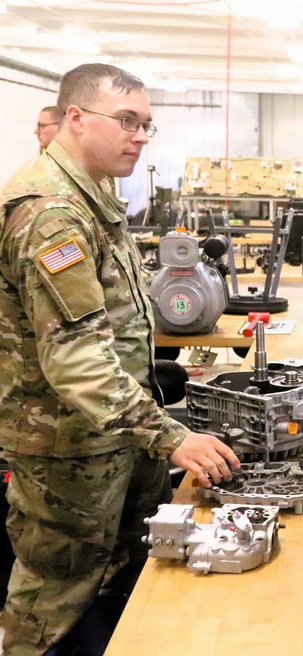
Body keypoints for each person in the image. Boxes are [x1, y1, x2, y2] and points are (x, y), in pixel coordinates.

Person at [0, 63, 240, 655]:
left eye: (146, 125)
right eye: (127, 121)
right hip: (69, 450)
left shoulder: (95, 196)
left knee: (122, 588)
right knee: (51, 604)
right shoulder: (50, 213)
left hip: (116, 437)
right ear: (76, 119)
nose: (139, 136)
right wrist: (168, 436)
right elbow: (76, 362)